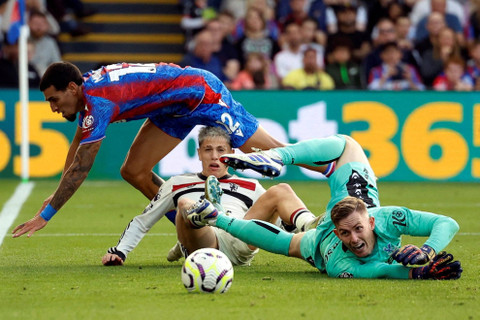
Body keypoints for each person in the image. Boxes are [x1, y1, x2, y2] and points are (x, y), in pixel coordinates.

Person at [12, 61, 329, 238]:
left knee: (274, 151)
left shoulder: (98, 101)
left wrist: (48, 214)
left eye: (53, 99)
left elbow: (81, 168)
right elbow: (79, 144)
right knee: (133, 171)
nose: (53, 108)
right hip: (173, 110)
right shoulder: (88, 93)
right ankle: (196, 230)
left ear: (71, 88)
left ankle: (334, 166)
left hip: (202, 95)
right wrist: (56, 193)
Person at [188, 135, 463, 279]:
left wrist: (427, 251)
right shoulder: (343, 256)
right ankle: (275, 158)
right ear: (340, 232)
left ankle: (222, 210)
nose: (354, 240)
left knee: (291, 243)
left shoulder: (336, 257)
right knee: (346, 146)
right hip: (335, 217)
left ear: (371, 222)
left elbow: (447, 223)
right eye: (347, 233)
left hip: (317, 235)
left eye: (357, 230)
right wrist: (417, 272)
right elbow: (382, 270)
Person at [102, 126, 271, 266]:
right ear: (198, 153)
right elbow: (144, 220)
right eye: (208, 150)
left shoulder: (251, 186)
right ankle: (188, 239)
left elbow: (274, 221)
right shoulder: (177, 183)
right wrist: (120, 251)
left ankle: (299, 238)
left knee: (281, 192)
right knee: (185, 204)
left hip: (239, 245)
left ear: (232, 154)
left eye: (221, 150)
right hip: (204, 248)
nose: (214, 156)